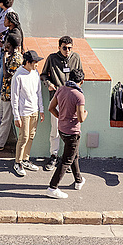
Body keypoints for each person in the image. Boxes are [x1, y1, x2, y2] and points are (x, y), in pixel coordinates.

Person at [40, 35, 83, 171]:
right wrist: (49, 84)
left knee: (72, 131)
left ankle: (68, 159)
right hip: (57, 97)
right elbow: (43, 75)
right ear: (59, 47)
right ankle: (54, 155)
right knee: (55, 129)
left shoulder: (76, 58)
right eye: (64, 48)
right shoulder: (52, 58)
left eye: (70, 48)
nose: (67, 50)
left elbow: (81, 75)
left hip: (72, 100)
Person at [45, 68, 87, 199]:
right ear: (82, 81)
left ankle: (78, 180)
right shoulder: (79, 95)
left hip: (62, 129)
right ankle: (53, 187)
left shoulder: (61, 89)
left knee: (73, 155)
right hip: (73, 132)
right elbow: (81, 118)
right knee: (67, 160)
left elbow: (51, 108)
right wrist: (86, 113)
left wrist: (61, 117)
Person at [11, 50, 44, 177]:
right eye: (35, 62)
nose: (37, 65)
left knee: (31, 136)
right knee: (23, 137)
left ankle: (25, 159)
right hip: (23, 112)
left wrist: (41, 109)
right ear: (28, 62)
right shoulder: (18, 76)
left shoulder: (35, 73)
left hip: (34, 110)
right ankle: (17, 162)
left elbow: (38, 92)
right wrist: (16, 116)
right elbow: (14, 97)